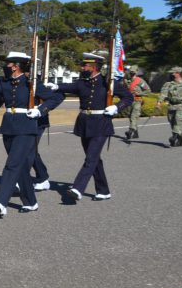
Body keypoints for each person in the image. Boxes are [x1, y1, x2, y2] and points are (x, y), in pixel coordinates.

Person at [0, 51, 62, 217]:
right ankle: (31, 202)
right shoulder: (7, 83)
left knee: (12, 165)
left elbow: (55, 98)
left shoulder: (31, 83)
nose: (6, 66)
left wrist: (40, 111)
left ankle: (0, 202)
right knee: (19, 168)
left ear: (16, 66)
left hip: (26, 127)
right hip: (9, 127)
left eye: (9, 63)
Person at [47, 52, 133, 203]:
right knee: (94, 159)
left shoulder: (108, 82)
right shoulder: (83, 82)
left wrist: (117, 107)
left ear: (94, 67)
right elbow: (71, 86)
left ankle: (78, 188)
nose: (82, 67)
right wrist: (56, 86)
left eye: (85, 65)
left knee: (91, 158)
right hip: (85, 123)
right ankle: (103, 190)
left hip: (101, 123)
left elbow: (128, 97)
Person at [157, 66, 182, 147]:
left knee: (177, 123)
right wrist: (159, 103)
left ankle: (174, 137)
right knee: (172, 123)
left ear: (178, 73)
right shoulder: (168, 84)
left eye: (173, 72)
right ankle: (179, 141)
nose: (171, 74)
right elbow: (163, 94)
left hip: (181, 106)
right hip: (171, 106)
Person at [123, 66, 151, 140]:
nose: (132, 73)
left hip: (137, 101)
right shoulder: (127, 80)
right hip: (129, 101)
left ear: (136, 72)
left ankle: (130, 130)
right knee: (130, 117)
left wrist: (139, 93)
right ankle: (135, 133)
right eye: (131, 71)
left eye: (133, 71)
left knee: (133, 116)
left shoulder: (140, 81)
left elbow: (148, 90)